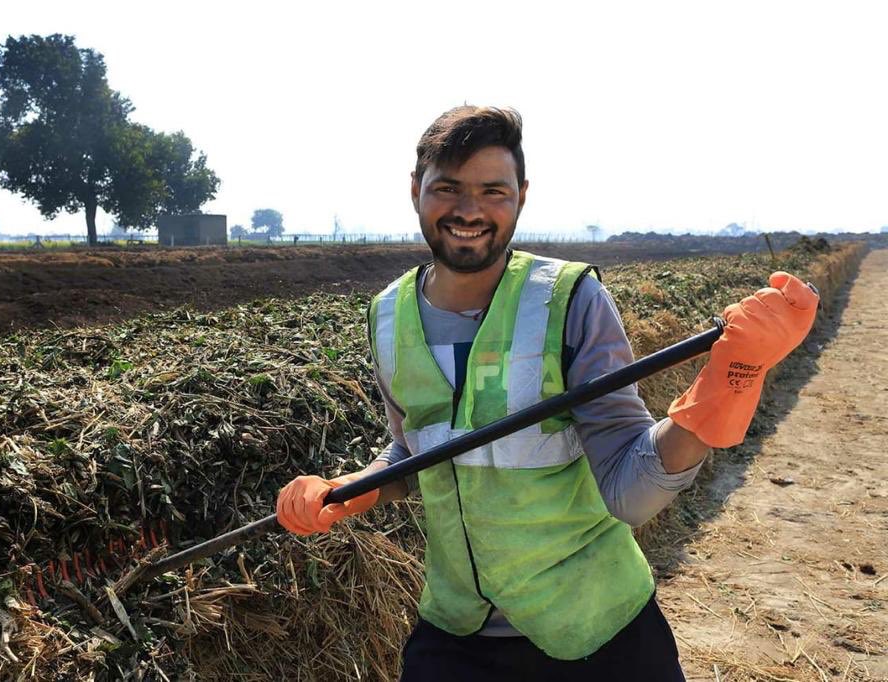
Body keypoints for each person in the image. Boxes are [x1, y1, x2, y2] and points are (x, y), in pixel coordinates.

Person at [276, 106, 819, 680]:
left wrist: (726, 386)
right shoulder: (388, 315)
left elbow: (630, 491)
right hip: (458, 631)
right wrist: (352, 489)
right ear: (415, 191)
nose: (469, 210)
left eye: (493, 190)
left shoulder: (569, 302)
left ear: (522, 195)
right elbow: (416, 450)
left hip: (595, 629)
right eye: (447, 188)